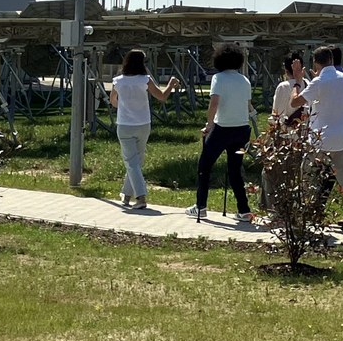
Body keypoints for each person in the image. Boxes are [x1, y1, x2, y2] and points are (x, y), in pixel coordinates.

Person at [291, 45, 343, 235]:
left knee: (307, 178)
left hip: (319, 139)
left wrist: (298, 81)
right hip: (341, 138)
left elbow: (295, 102)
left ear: (316, 62)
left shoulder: (318, 82)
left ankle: (305, 219)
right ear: (331, 60)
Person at [106, 49, 180, 210]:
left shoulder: (117, 81)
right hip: (143, 124)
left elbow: (113, 101)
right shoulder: (145, 80)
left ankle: (140, 198)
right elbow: (161, 96)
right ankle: (126, 195)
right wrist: (171, 84)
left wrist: (124, 107)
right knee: (136, 161)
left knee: (131, 162)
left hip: (125, 125)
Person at [189, 44, 254, 222]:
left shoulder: (218, 78)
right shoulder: (244, 80)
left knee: (205, 166)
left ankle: (200, 206)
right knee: (235, 171)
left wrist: (208, 125)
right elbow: (248, 105)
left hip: (222, 128)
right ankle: (244, 210)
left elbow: (214, 103)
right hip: (242, 128)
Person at [260, 51, 310, 214]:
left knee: (272, 174)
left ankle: (274, 209)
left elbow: (277, 115)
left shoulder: (283, 87)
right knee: (295, 176)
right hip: (302, 137)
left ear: (285, 69)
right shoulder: (309, 85)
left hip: (284, 137)